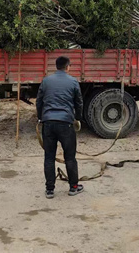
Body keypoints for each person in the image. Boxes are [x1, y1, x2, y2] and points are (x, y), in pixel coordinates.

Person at [36, 56, 84, 199]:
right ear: (68, 67)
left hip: (48, 123)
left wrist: (41, 117)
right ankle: (73, 187)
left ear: (56, 66)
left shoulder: (46, 81)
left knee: (49, 157)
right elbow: (79, 102)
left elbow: (39, 101)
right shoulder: (73, 82)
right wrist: (78, 118)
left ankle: (50, 190)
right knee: (70, 157)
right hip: (66, 124)